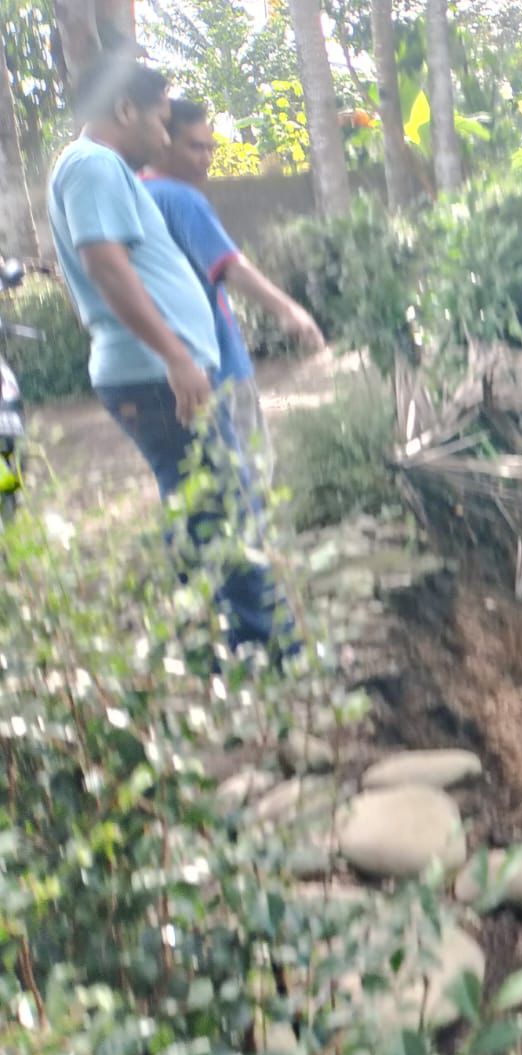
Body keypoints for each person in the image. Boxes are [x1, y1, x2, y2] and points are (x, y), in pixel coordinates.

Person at [47, 55, 293, 660]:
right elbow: (107, 267)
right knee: (225, 507)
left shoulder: (103, 170)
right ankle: (268, 660)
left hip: (157, 371)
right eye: (160, 121)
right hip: (156, 373)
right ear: (125, 110)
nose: (165, 136)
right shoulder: (92, 165)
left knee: (203, 506)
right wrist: (177, 357)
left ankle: (211, 647)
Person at [143, 97, 324, 486]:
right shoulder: (181, 198)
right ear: (164, 142)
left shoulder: (137, 195)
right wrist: (288, 309)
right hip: (218, 365)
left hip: (170, 370)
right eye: (195, 146)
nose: (206, 157)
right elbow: (228, 265)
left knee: (195, 487)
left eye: (211, 147)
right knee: (248, 480)